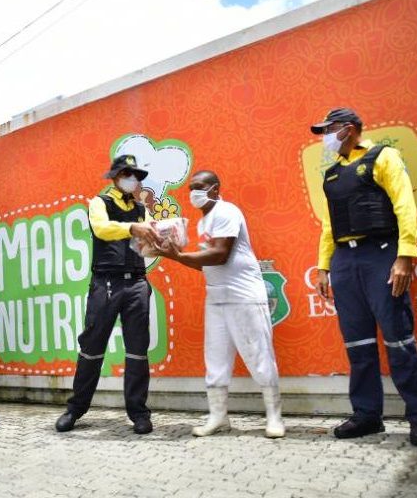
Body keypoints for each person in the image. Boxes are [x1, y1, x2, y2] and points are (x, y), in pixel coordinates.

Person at [311, 108, 417, 446]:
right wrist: (323, 267)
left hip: (380, 254)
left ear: (349, 129)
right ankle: (367, 415)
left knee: (398, 339)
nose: (325, 137)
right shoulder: (332, 174)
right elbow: (329, 225)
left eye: (329, 130)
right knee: (358, 342)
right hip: (345, 261)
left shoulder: (383, 157)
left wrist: (405, 256)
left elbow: (404, 205)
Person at [158, 170, 285, 438]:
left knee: (259, 354)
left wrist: (178, 256)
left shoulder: (227, 211)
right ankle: (218, 417)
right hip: (216, 297)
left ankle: (274, 417)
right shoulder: (203, 222)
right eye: (191, 187)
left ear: (215, 189)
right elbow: (207, 264)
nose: (194, 192)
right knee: (215, 359)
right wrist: (176, 254)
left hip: (243, 295)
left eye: (200, 186)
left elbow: (220, 255)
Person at [55, 154, 160, 434]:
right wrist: (132, 228)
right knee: (92, 346)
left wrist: (164, 239)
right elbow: (102, 230)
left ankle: (139, 413)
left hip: (137, 283)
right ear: (114, 177)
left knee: (137, 350)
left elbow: (151, 238)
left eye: (135, 175)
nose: (132, 179)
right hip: (106, 283)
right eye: (126, 174)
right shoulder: (99, 203)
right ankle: (75, 409)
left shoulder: (141, 209)